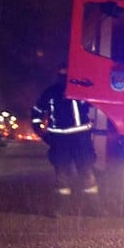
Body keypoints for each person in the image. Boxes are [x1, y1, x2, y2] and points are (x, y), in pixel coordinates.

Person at [31, 64, 99, 215]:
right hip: (62, 140)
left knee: (84, 172)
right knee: (64, 175)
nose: (64, 78)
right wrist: (40, 131)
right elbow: (37, 112)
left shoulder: (80, 89)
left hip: (78, 139)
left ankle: (93, 208)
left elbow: (96, 104)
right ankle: (61, 208)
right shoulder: (51, 93)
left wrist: (42, 132)